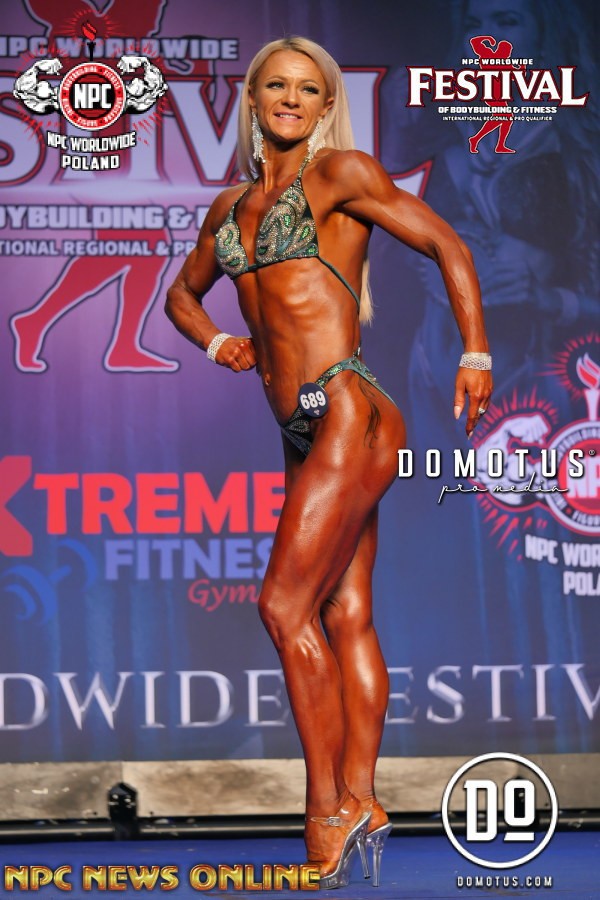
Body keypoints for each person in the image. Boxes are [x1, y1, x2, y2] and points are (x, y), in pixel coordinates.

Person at [165, 36, 492, 890]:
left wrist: (475, 353)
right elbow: (181, 294)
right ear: (252, 98)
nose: (290, 99)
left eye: (308, 89)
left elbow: (448, 246)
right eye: (276, 85)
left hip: (351, 410)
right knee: (344, 615)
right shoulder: (229, 208)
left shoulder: (342, 174)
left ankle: (328, 812)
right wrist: (218, 344)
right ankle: (366, 800)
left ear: (325, 105)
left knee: (283, 606)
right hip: (301, 429)